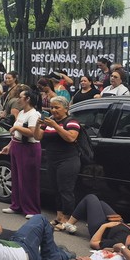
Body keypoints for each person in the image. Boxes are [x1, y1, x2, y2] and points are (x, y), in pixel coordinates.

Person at [39, 96, 81, 229]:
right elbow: (37, 137)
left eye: (57, 107)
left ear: (66, 109)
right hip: (52, 159)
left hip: (68, 160)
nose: (53, 110)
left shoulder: (72, 121)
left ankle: (67, 219)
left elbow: (71, 138)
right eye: (52, 107)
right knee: (55, 188)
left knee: (65, 190)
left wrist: (56, 126)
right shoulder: (50, 121)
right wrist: (37, 125)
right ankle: (59, 217)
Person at [0, 88, 42, 218]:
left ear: (27, 99)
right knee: (17, 178)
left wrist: (17, 127)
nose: (18, 99)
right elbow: (16, 134)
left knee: (28, 179)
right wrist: (9, 145)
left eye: (21, 97)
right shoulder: (22, 112)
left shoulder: (34, 114)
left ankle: (31, 209)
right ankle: (16, 205)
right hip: (17, 145)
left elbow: (32, 132)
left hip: (29, 148)